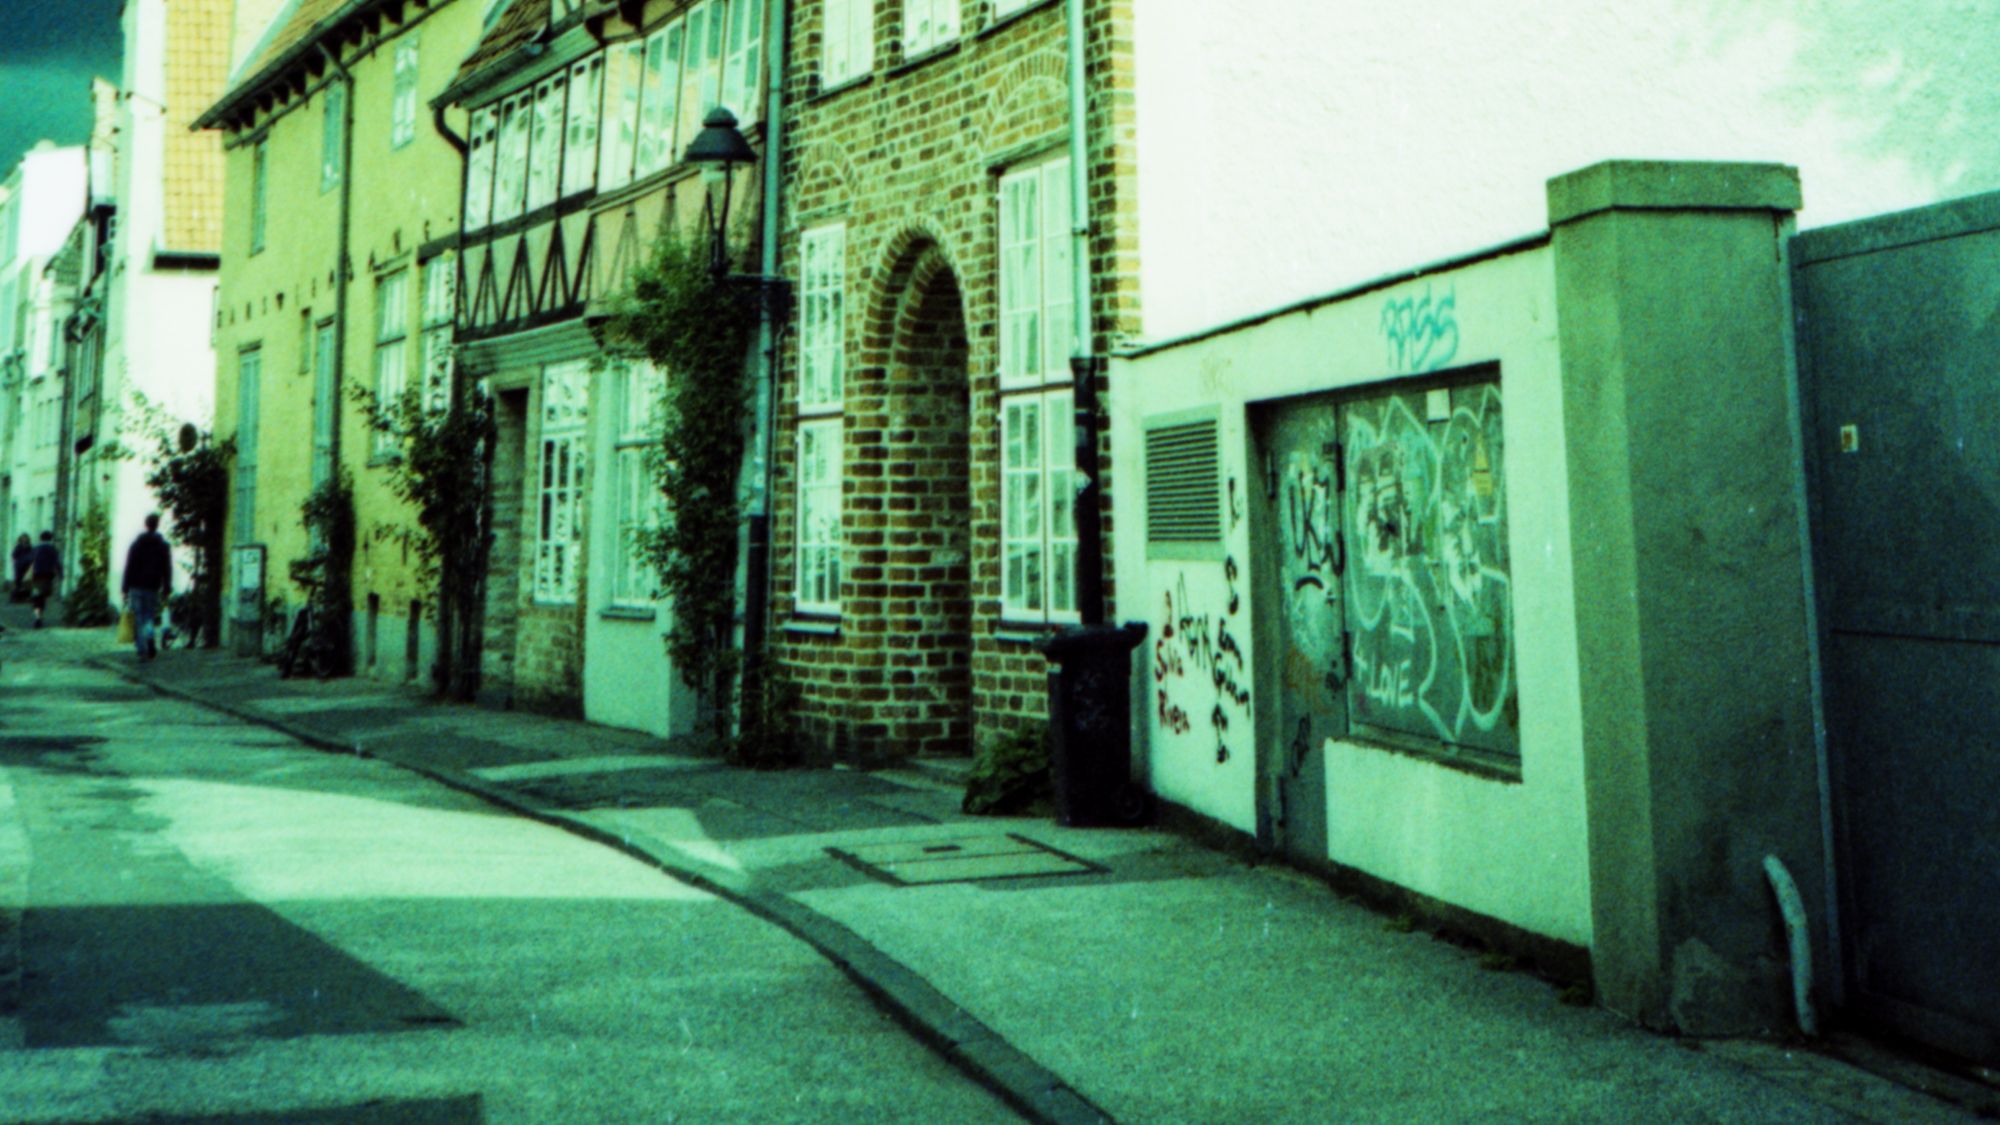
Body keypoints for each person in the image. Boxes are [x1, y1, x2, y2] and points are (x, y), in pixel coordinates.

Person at [123, 513, 173, 660]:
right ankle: (150, 637)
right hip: (153, 585)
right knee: (149, 616)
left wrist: (125, 588)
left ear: (146, 524)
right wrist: (167, 586)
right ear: (157, 525)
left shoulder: (136, 545)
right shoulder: (163, 545)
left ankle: (141, 649)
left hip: (136, 585)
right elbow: (167, 568)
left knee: (138, 617)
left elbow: (129, 566)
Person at [29, 530, 60, 628]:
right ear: (50, 538)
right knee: (43, 596)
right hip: (47, 575)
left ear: (40, 538)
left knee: (37, 597)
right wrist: (60, 574)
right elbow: (56, 563)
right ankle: (40, 616)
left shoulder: (35, 548)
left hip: (36, 575)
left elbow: (30, 561)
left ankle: (38, 617)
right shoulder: (52, 549)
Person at [10, 534, 30, 602]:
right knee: (18, 581)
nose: (24, 539)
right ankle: (16, 597)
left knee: (25, 581)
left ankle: (23, 597)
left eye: (25, 538)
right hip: (19, 565)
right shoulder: (18, 546)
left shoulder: (29, 546)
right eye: (23, 538)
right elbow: (14, 555)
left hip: (26, 566)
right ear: (20, 539)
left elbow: (32, 554)